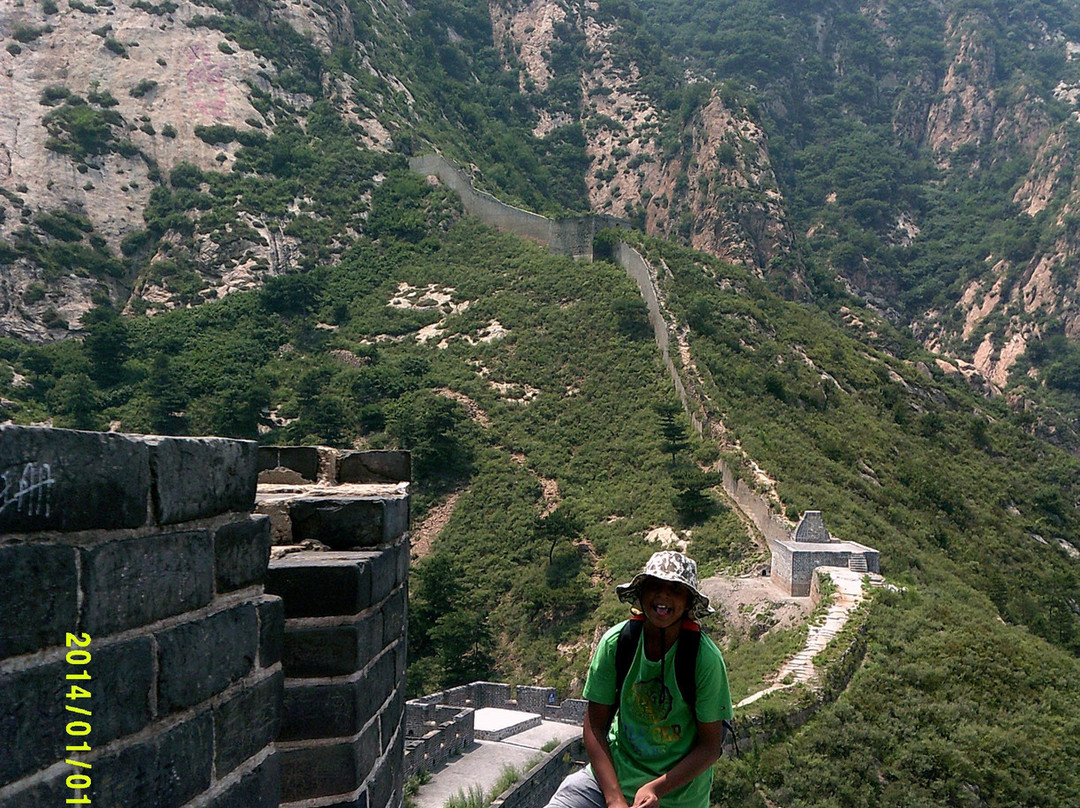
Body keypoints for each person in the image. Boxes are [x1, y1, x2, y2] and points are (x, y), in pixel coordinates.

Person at [546, 551, 733, 808]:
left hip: (677, 796)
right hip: (612, 780)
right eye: (655, 586)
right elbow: (594, 725)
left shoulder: (704, 659)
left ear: (688, 602)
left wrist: (656, 788)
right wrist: (614, 800)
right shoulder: (617, 644)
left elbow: (711, 747)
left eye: (676, 590)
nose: (663, 596)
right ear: (641, 593)